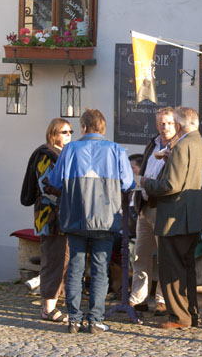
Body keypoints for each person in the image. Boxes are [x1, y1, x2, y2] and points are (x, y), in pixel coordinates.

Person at [49, 109, 135, 334]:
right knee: (100, 269)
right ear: (103, 127)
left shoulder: (69, 149)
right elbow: (128, 183)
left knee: (76, 269)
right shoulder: (116, 150)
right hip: (106, 219)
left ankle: (74, 319)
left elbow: (56, 181)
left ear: (84, 127)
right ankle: (95, 319)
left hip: (76, 217)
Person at [141, 107, 202, 329]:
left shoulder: (181, 145)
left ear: (179, 126)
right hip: (192, 217)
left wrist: (145, 183)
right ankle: (192, 313)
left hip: (175, 218)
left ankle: (179, 317)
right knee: (187, 267)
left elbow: (170, 185)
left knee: (172, 269)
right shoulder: (199, 143)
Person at [20, 118, 73, 323]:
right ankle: (48, 308)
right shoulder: (46, 154)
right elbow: (46, 187)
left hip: (63, 216)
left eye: (70, 132)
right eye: (64, 132)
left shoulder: (63, 154)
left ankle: (56, 301)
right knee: (54, 260)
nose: (68, 135)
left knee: (65, 258)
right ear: (53, 134)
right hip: (50, 217)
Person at [128, 107, 177, 315]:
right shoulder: (152, 143)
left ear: (176, 125)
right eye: (161, 123)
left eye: (168, 123)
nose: (164, 127)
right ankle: (138, 298)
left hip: (163, 208)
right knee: (141, 255)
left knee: (164, 256)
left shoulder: (178, 146)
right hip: (145, 206)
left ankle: (162, 299)